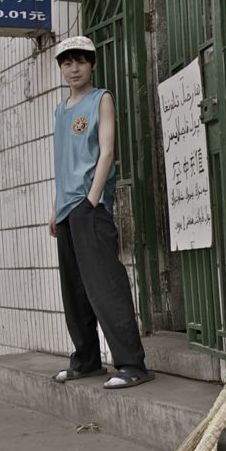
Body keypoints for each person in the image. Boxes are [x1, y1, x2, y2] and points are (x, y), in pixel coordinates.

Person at [48, 35, 152, 388]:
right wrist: (55, 209)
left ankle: (132, 364)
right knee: (74, 291)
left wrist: (92, 199)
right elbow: (64, 162)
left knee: (105, 286)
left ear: (92, 64)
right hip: (66, 210)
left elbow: (106, 153)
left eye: (80, 61)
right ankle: (87, 360)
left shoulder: (100, 99)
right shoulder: (61, 110)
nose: (73, 68)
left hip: (88, 207)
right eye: (66, 62)